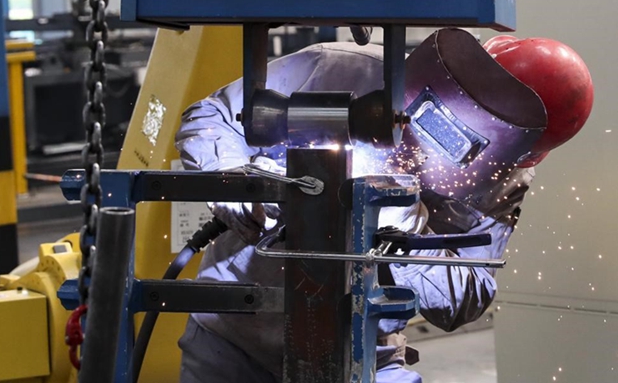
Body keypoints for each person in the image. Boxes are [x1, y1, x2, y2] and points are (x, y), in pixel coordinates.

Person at [174, 28, 593, 383]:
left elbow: (465, 295)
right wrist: (233, 181)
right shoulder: (337, 66)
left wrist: (401, 232)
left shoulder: (503, 174)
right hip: (233, 334)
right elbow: (211, 115)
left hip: (362, 349)